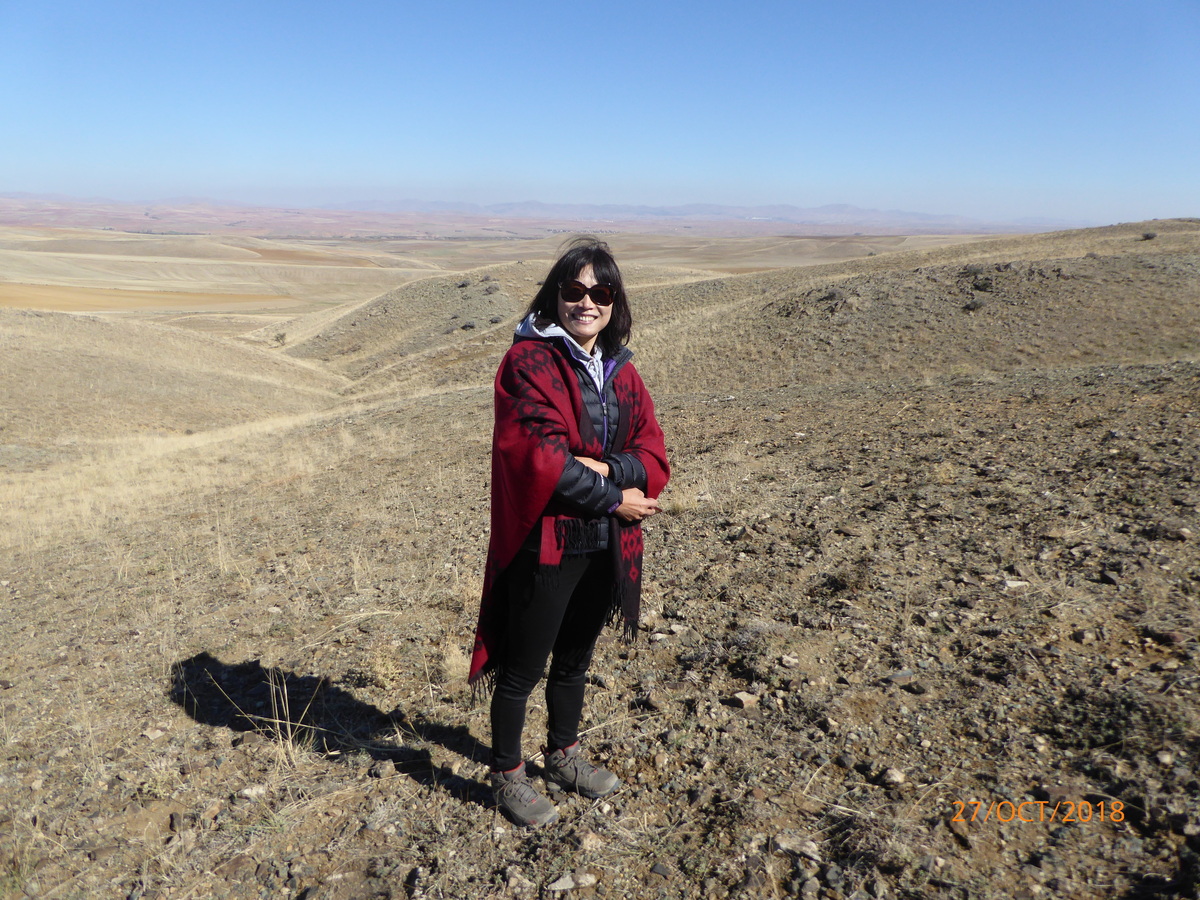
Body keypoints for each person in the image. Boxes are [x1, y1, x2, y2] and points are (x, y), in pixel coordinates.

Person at [468, 237, 670, 827]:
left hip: (605, 542)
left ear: (614, 301)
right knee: (523, 668)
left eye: (599, 292)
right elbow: (538, 456)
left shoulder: (621, 369)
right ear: (556, 295)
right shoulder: (527, 362)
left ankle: (562, 754)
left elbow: (652, 450)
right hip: (549, 539)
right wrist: (617, 497)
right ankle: (507, 774)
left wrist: (611, 470)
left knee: (576, 659)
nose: (587, 302)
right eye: (574, 290)